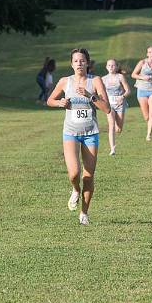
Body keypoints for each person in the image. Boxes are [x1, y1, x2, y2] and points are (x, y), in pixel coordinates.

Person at [47, 48, 111, 226]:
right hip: (70, 133)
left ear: (87, 63)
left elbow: (107, 108)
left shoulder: (95, 81)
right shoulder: (64, 82)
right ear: (71, 64)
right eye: (76, 61)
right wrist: (60, 102)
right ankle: (75, 190)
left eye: (82, 60)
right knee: (74, 173)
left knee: (88, 176)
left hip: (91, 133)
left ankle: (84, 213)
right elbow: (50, 100)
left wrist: (90, 96)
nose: (79, 64)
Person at [131, 46, 152, 141]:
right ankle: (148, 124)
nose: (151, 54)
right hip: (142, 90)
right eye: (149, 52)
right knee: (146, 116)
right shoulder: (142, 63)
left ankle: (149, 135)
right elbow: (133, 74)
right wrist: (143, 77)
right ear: (147, 54)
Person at [102, 59, 131, 156]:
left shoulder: (120, 77)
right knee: (111, 125)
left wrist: (122, 97)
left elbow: (128, 91)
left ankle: (116, 123)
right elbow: (99, 92)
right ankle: (112, 149)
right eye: (109, 65)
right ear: (106, 67)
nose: (111, 67)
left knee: (119, 129)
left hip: (120, 104)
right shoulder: (103, 79)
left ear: (116, 67)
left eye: (113, 65)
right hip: (109, 104)